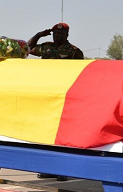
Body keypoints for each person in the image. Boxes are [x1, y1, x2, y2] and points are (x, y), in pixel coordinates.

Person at [28, 22, 84, 181]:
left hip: (64, 97)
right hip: (45, 95)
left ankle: (64, 170)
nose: (57, 36)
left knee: (64, 135)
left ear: (67, 34)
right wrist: (39, 34)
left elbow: (80, 75)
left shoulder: (74, 52)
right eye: (55, 33)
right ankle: (48, 167)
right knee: (46, 133)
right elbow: (26, 48)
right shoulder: (46, 47)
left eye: (60, 34)